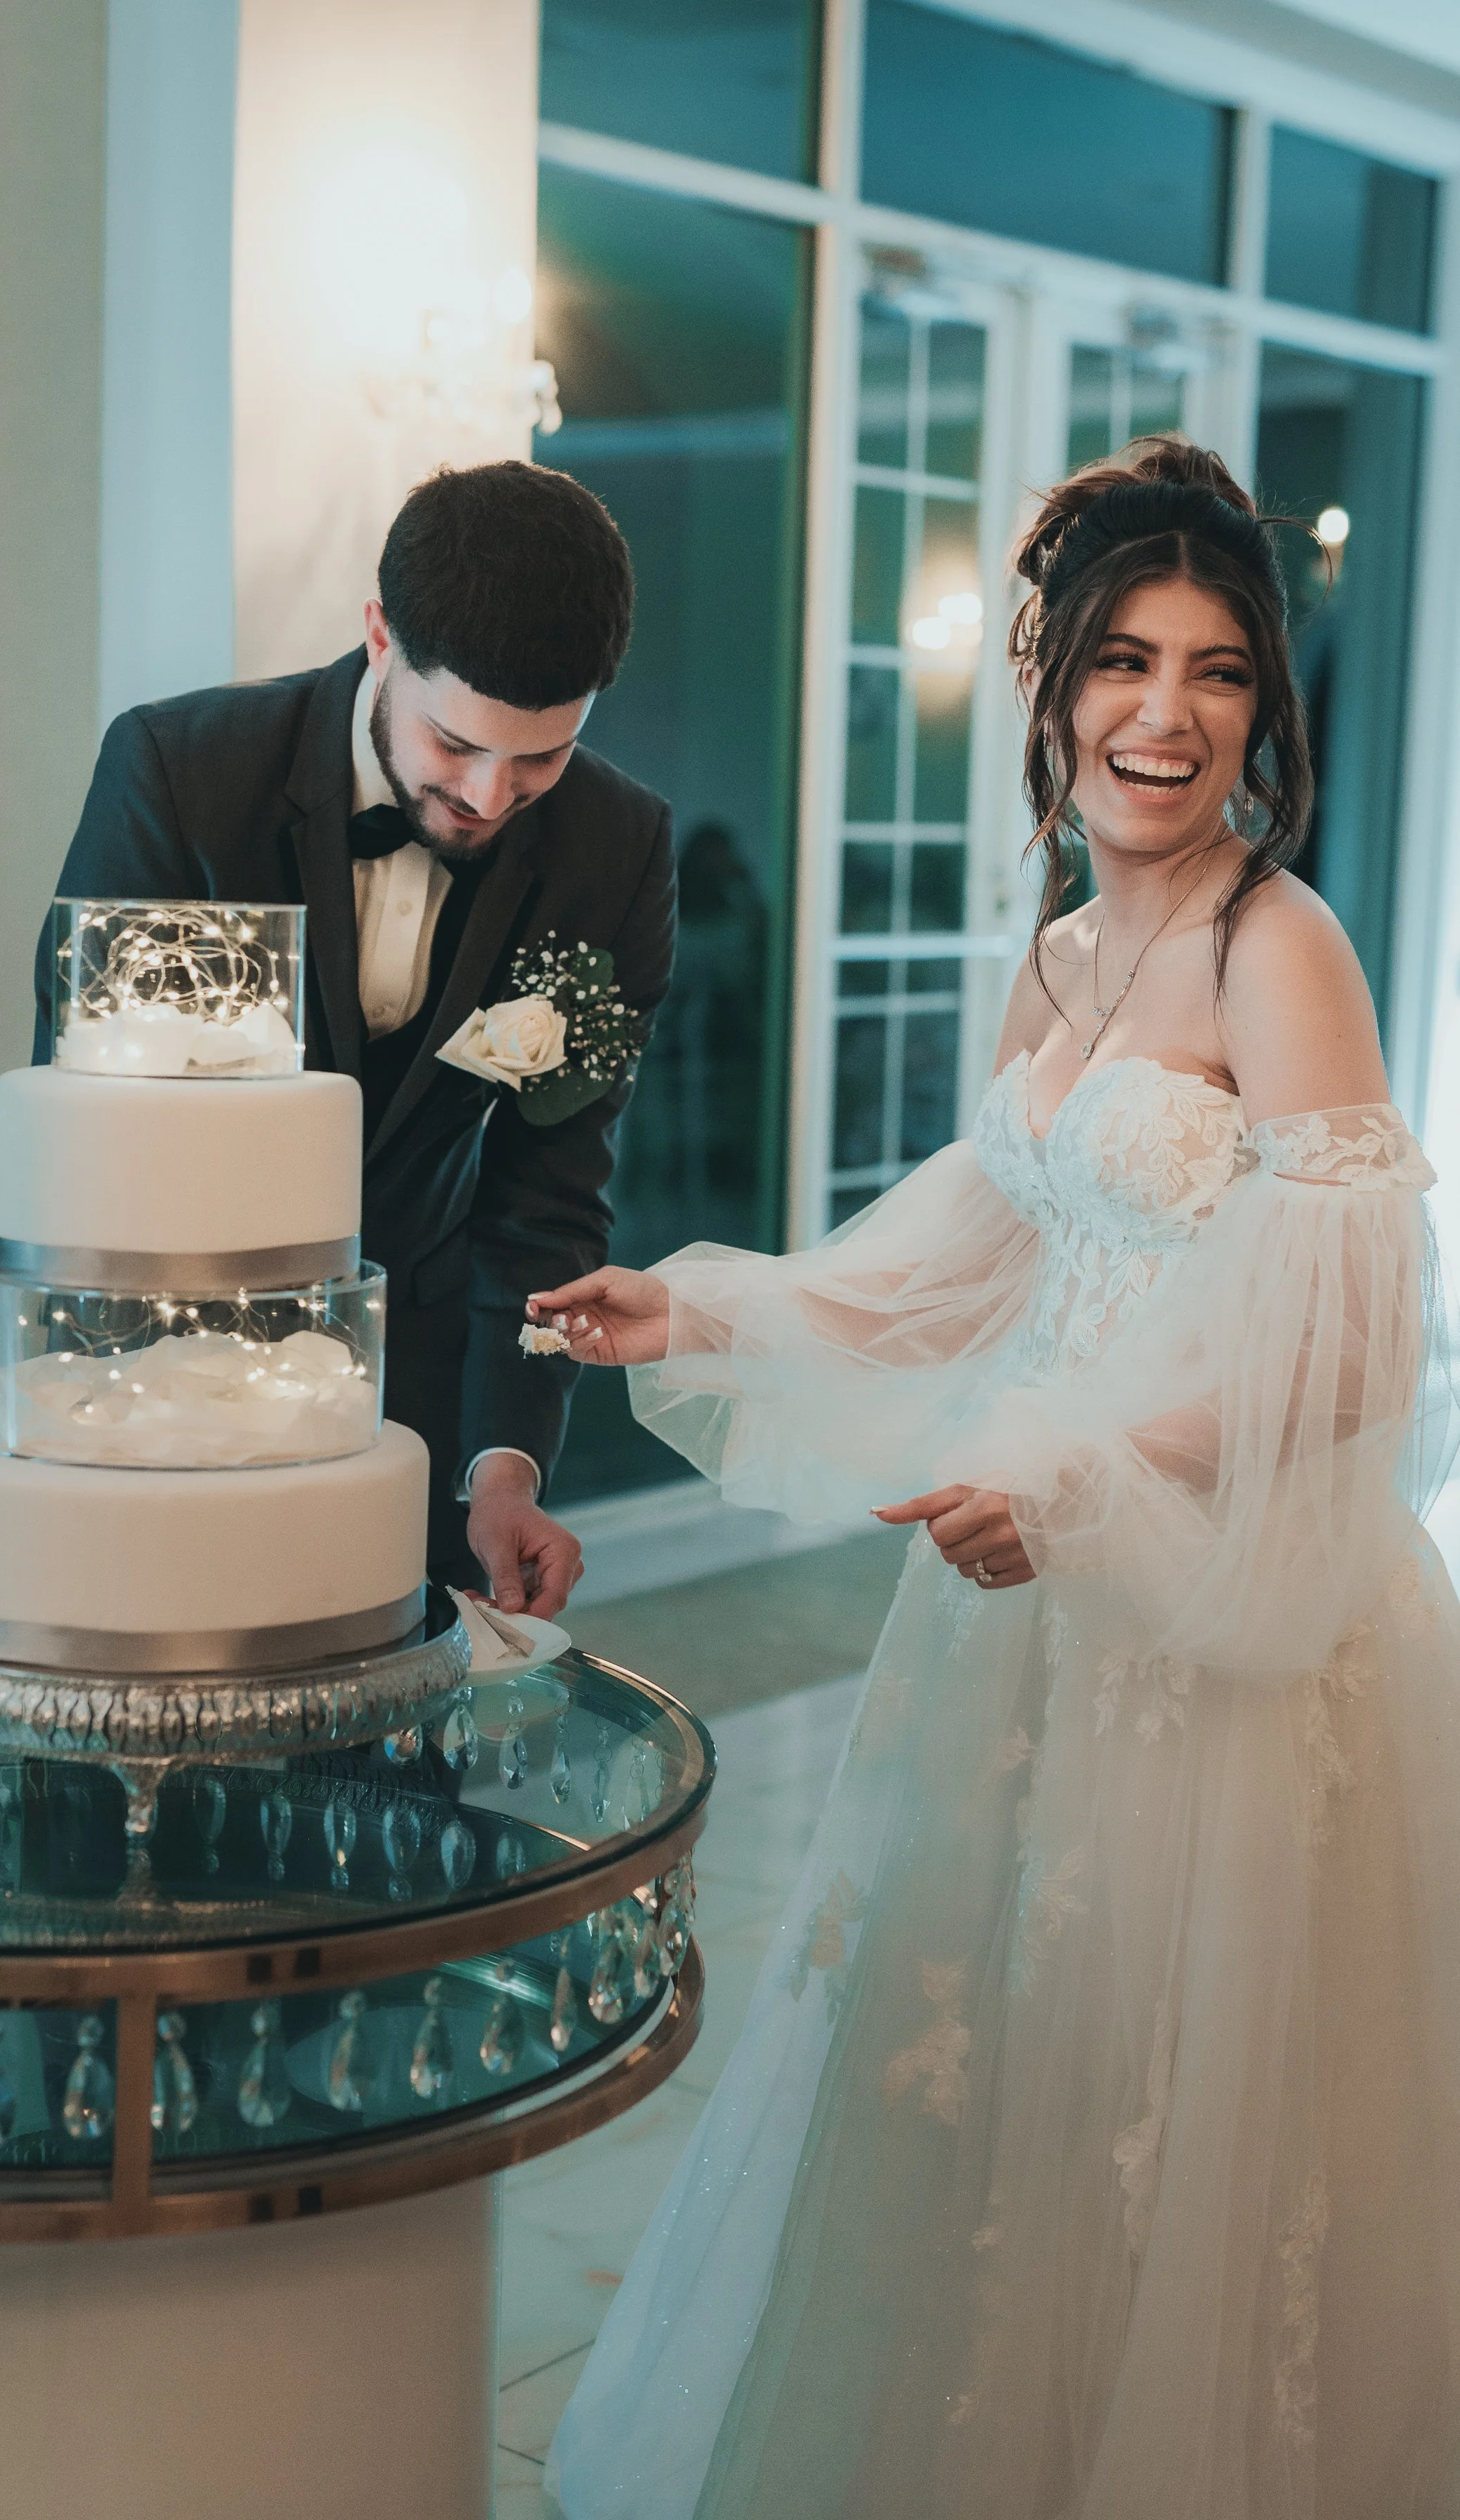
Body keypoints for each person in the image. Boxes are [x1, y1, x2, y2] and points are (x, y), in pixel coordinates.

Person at [536, 438, 1460, 2517]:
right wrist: (689, 1316)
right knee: (997, 2072)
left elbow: (1363, 1347)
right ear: (1048, 699)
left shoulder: (1275, 945)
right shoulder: (1057, 955)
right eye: (1122, 663)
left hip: (1213, 1602)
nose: (1164, 713)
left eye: (1219, 673)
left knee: (1190, 2110)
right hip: (1034, 1598)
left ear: (1265, 716)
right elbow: (962, 1269)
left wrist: (1088, 1488)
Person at [34, 461, 676, 1609]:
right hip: (159, 1383)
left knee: (396, 1774)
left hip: (422, 1408)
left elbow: (549, 1198)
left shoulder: (615, 847)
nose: (490, 794)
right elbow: (103, 1135)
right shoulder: (181, 776)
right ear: (380, 633)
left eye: (541, 757)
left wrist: (505, 1463)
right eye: (455, 745)